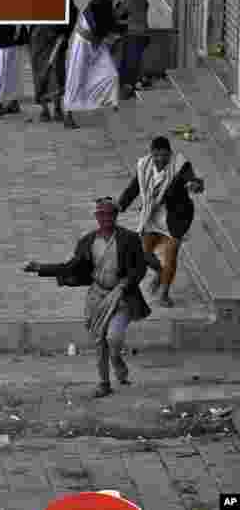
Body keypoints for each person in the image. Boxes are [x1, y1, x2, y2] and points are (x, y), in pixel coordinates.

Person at [24, 198, 151, 398]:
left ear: (116, 216)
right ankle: (104, 383)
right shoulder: (88, 242)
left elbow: (140, 268)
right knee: (99, 340)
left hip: (121, 297)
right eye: (101, 214)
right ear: (96, 217)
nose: (106, 218)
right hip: (97, 297)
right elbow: (70, 266)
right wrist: (41, 268)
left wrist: (126, 283)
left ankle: (117, 360)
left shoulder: (130, 239)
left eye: (110, 214)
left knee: (113, 338)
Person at [117, 136, 205, 307]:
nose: (160, 159)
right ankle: (159, 271)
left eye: (164, 155)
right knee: (143, 253)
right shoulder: (144, 165)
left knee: (170, 256)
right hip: (152, 214)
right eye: (156, 155)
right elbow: (134, 187)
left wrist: (195, 185)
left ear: (170, 154)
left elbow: (192, 179)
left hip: (177, 217)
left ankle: (164, 293)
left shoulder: (180, 165)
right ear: (151, 154)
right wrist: (120, 205)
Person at [62, 0, 129, 128]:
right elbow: (101, 26)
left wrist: (118, 17)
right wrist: (116, 21)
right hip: (84, 44)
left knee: (111, 73)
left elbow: (113, 25)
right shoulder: (99, 2)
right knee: (76, 77)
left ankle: (106, 100)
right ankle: (68, 113)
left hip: (97, 44)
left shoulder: (109, 1)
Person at [28, 0, 79, 123]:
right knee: (40, 71)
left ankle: (56, 108)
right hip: (38, 35)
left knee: (56, 72)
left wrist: (65, 33)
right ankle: (45, 109)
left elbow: (73, 11)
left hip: (55, 36)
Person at [111, 0, 150, 99]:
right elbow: (145, 6)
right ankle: (132, 84)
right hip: (140, 32)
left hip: (128, 33)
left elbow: (117, 12)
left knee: (125, 64)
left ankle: (127, 87)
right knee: (133, 62)